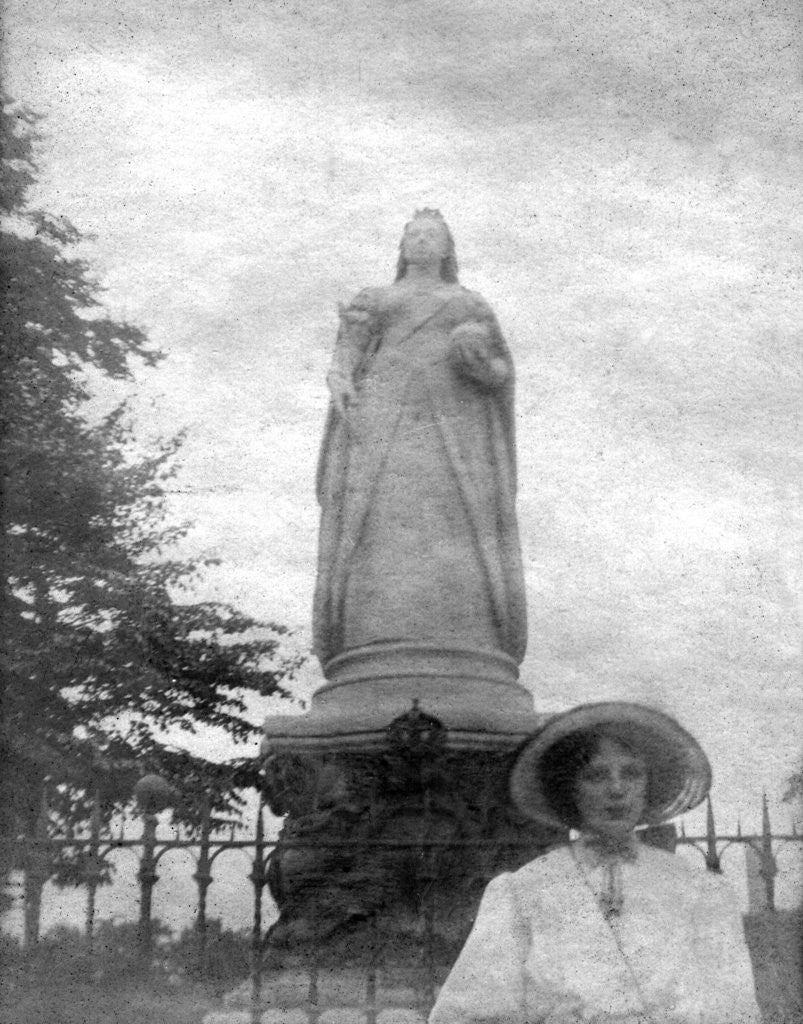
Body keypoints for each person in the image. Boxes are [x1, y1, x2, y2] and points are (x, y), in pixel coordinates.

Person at [429, 702, 762, 1024]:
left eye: (631, 774)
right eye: (596, 775)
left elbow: (734, 1012)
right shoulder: (522, 893)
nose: (616, 789)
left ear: (649, 785)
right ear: (569, 788)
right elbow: (468, 1013)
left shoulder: (700, 892)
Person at [312, 209, 527, 667]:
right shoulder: (376, 298)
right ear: (402, 246)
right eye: (413, 235)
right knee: (381, 514)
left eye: (432, 236)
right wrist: (341, 379)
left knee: (455, 518)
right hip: (384, 416)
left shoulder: (469, 305)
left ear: (448, 249)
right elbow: (345, 355)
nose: (422, 242)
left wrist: (476, 358)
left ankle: (462, 631)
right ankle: (373, 632)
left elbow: (500, 372)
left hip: (454, 423)